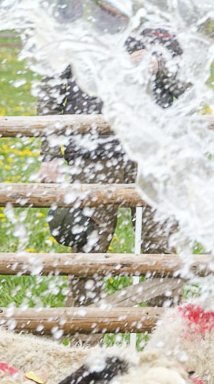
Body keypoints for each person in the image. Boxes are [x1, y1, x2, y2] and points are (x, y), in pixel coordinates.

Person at [35, 27, 185, 308]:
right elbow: (50, 94)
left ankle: (166, 335)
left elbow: (189, 85)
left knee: (159, 241)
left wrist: (159, 66)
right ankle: (82, 341)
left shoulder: (163, 22)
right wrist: (51, 155)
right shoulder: (77, 22)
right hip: (93, 153)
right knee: (90, 244)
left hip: (153, 152)